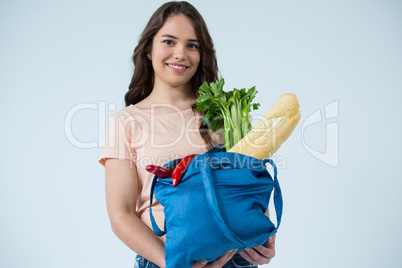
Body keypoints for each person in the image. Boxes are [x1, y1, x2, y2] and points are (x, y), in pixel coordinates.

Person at [98, 1, 276, 267]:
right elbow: (120, 215)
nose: (180, 53)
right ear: (149, 49)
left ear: (201, 54)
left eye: (192, 45)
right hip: (164, 260)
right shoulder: (127, 122)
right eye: (169, 42)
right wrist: (171, 263)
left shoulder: (225, 112)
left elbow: (245, 184)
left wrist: (264, 237)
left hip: (234, 260)